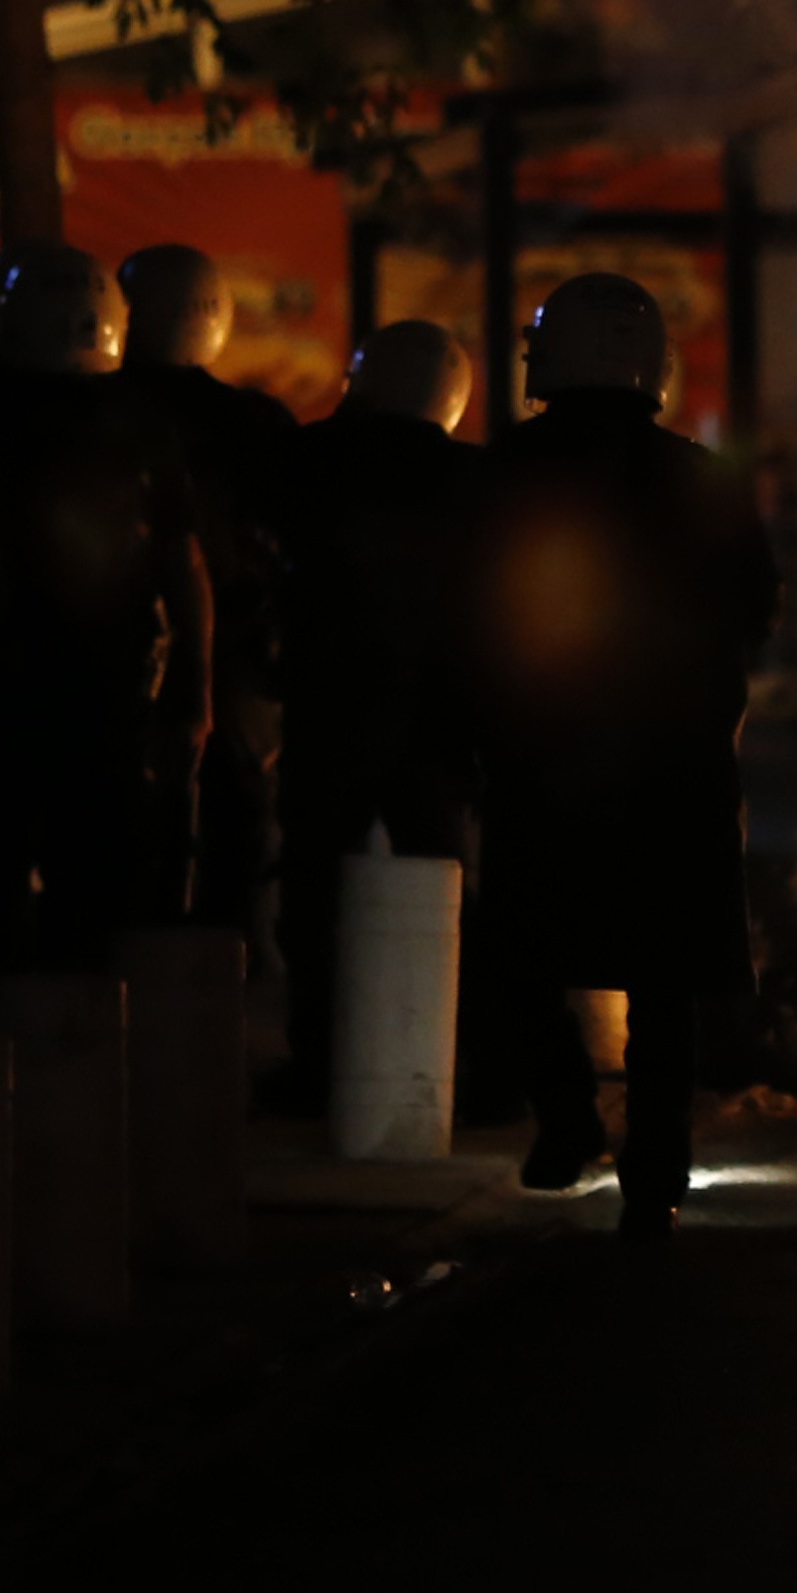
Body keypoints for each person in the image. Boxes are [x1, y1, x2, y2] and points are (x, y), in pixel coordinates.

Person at [462, 275, 777, 1239]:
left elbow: (461, 615)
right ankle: (657, 1172)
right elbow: (753, 613)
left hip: (539, 761)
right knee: (663, 976)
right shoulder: (702, 478)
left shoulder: (501, 474)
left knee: (522, 952)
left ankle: (564, 1126)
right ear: (654, 369)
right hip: (672, 765)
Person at [0, 246, 213, 969]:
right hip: (110, 685)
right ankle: (87, 1034)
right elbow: (181, 560)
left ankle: (3, 1031)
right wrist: (194, 682)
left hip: (6, 682)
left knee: (3, 865)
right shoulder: (139, 421)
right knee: (101, 881)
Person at [270, 319, 485, 1118]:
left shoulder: (312, 459)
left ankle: (320, 1065)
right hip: (440, 721)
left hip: (333, 707)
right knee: (449, 895)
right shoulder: (475, 481)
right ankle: (454, 1067)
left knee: (316, 895)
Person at [112, 244, 298, 934]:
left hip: (128, 656)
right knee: (237, 839)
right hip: (239, 668)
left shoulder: (112, 410)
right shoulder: (258, 423)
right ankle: (226, 988)